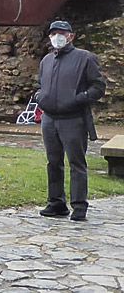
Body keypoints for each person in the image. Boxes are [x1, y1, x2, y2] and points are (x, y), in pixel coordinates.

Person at [37, 20, 106, 222]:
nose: (57, 37)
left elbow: (98, 86)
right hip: (49, 118)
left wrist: (78, 99)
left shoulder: (85, 58)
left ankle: (79, 205)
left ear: (70, 36)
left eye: (61, 33)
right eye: (53, 33)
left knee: (76, 163)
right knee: (53, 162)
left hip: (73, 119)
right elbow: (40, 84)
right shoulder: (47, 60)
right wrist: (40, 96)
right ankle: (56, 202)